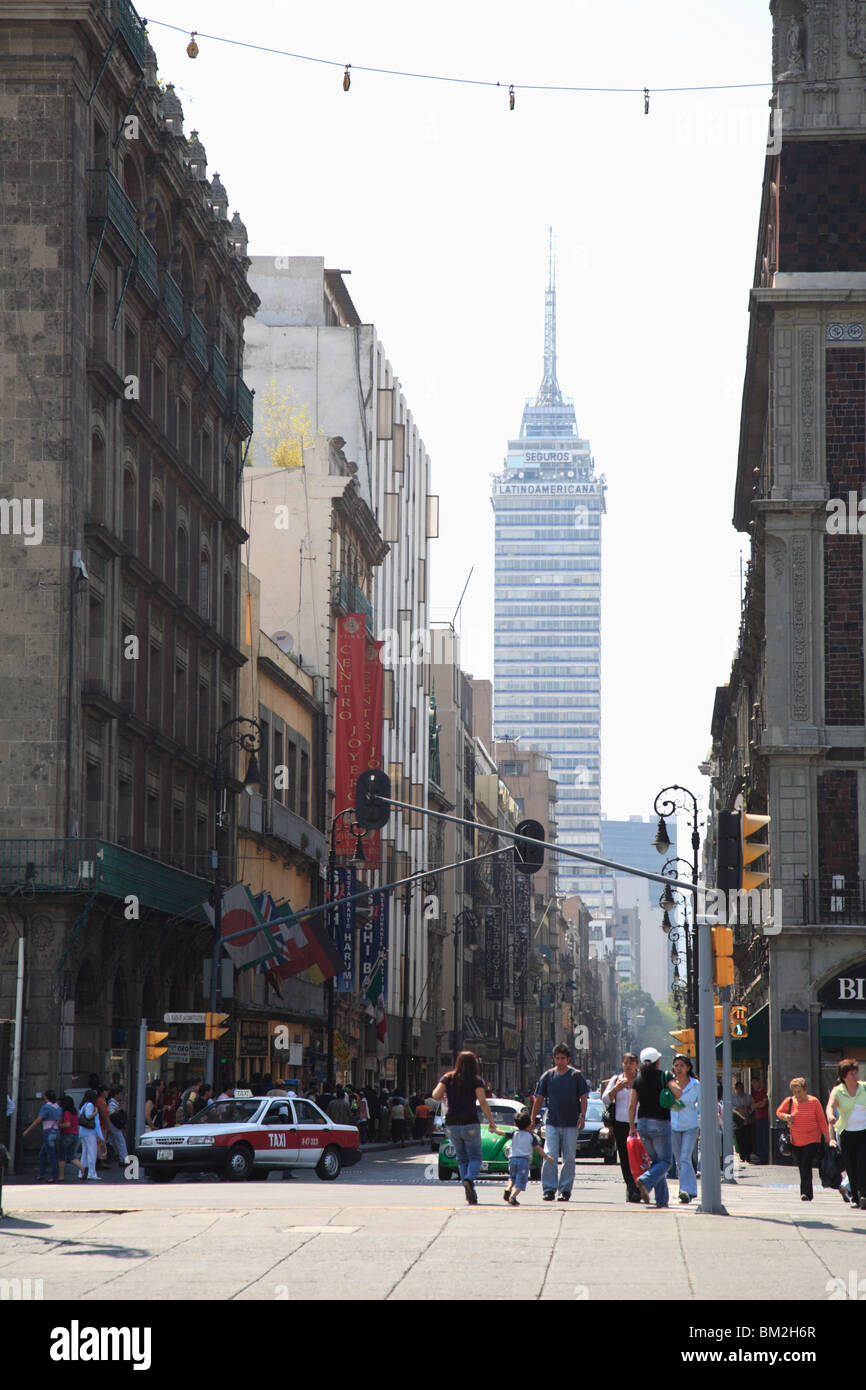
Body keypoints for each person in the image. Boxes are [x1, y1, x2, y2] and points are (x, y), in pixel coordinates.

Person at [432, 1050, 500, 1205]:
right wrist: (491, 1121)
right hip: (470, 1122)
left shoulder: (448, 1077)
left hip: (452, 1123)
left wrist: (444, 1096)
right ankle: (470, 1178)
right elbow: (482, 1101)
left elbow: (435, 1094)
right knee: (475, 1157)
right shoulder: (476, 1080)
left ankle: (469, 1189)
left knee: (461, 1158)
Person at [529, 1043, 590, 1202]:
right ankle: (549, 1189)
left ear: (568, 1059)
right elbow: (539, 1099)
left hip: (571, 1124)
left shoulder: (576, 1076)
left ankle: (565, 1190)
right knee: (550, 1155)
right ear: (554, 1059)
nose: (560, 1061)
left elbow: (583, 1098)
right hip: (552, 1123)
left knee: (569, 1158)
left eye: (563, 1058)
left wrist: (582, 1116)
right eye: (557, 1058)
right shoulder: (548, 1076)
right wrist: (531, 1119)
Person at [627, 1047, 676, 1208]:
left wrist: (632, 1127)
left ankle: (662, 1200)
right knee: (666, 1162)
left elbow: (632, 1105)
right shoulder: (664, 1075)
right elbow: (678, 1092)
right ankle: (646, 1180)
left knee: (656, 1162)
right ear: (658, 1062)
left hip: (642, 1123)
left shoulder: (638, 1080)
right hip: (660, 1122)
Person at [777, 1076, 829, 1201]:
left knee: (806, 1163)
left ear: (805, 1090)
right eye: (794, 1092)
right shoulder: (790, 1101)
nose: (797, 1095)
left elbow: (822, 1120)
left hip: (812, 1139)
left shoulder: (814, 1102)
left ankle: (806, 1193)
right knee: (801, 1165)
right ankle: (806, 1192)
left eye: (799, 1092)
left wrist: (828, 1138)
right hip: (796, 1140)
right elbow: (779, 1112)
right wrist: (786, 1116)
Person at [826, 1059, 866, 1209]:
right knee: (851, 1166)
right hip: (846, 1133)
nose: (855, 1076)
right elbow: (830, 1106)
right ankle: (855, 1197)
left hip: (863, 1132)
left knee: (862, 1163)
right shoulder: (839, 1091)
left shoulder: (864, 1088)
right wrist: (830, 1116)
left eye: (856, 1073)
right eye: (851, 1074)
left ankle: (864, 1195)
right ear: (844, 1076)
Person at [603, 1054, 641, 1202]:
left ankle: (637, 1187)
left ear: (637, 1065)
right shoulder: (616, 1079)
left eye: (631, 1063)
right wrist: (617, 1088)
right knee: (624, 1158)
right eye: (625, 1063)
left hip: (638, 1123)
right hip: (620, 1124)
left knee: (637, 1157)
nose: (628, 1066)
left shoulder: (641, 1080)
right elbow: (605, 1099)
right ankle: (631, 1188)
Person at [669, 1054, 700, 1204]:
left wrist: (700, 1126)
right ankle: (689, 1190)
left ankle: (685, 1190)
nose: (679, 1068)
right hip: (673, 1126)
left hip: (690, 1126)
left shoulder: (695, 1085)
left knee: (685, 1157)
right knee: (679, 1161)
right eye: (676, 1065)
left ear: (688, 1068)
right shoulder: (670, 1083)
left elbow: (701, 1107)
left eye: (682, 1065)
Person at [503, 1110, 549, 1206]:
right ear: (529, 1124)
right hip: (523, 1161)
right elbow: (538, 1149)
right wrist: (547, 1157)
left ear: (515, 1124)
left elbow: (502, 1133)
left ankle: (508, 1188)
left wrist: (494, 1129)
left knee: (512, 1177)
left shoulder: (514, 1133)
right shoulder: (531, 1136)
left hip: (512, 1159)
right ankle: (513, 1196)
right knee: (521, 1180)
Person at [22, 1089, 63, 1182]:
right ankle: (42, 1174)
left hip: (48, 1132)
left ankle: (54, 1176)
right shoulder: (59, 1108)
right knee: (43, 1154)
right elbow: (60, 1121)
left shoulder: (45, 1107)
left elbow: (38, 1120)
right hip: (56, 1131)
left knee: (51, 1155)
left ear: (46, 1097)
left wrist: (27, 1130)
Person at [57, 1095, 85, 1181]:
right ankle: (82, 1168)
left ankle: (61, 1176)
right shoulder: (74, 1112)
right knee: (70, 1155)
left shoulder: (66, 1112)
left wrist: (59, 1125)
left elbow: (67, 1124)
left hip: (67, 1134)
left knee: (62, 1156)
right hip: (75, 1135)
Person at [77, 1089, 103, 1180]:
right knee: (92, 1152)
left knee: (85, 1153)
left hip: (83, 1132)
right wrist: (95, 1112)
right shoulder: (90, 1105)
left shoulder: (83, 1105)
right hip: (89, 1132)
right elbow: (88, 1116)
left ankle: (81, 1172)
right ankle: (91, 1173)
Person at [732, 1080, 754, 1161]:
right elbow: (730, 1107)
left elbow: (752, 1106)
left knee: (747, 1138)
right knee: (740, 1138)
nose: (741, 1089)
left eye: (742, 1088)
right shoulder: (732, 1097)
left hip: (747, 1119)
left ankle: (748, 1155)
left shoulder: (748, 1097)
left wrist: (747, 1109)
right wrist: (737, 1108)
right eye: (739, 1088)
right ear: (736, 1089)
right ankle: (742, 1154)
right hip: (737, 1120)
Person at [107, 1087, 129, 1163]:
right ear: (116, 1095)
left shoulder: (114, 1102)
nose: (120, 1096)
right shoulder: (112, 1103)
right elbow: (111, 1113)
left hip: (113, 1124)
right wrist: (120, 1109)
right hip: (113, 1124)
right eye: (119, 1094)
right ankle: (124, 1158)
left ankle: (113, 1156)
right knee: (121, 1141)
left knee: (111, 1141)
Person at [752, 1076, 769, 1164]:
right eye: (752, 1083)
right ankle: (761, 1158)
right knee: (759, 1139)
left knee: (765, 1138)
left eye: (755, 1082)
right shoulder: (754, 1094)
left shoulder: (765, 1092)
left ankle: (765, 1158)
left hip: (765, 1117)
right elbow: (753, 1105)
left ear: (759, 1082)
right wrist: (759, 1103)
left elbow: (764, 1104)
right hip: (758, 1118)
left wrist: (758, 1104)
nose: (754, 1085)